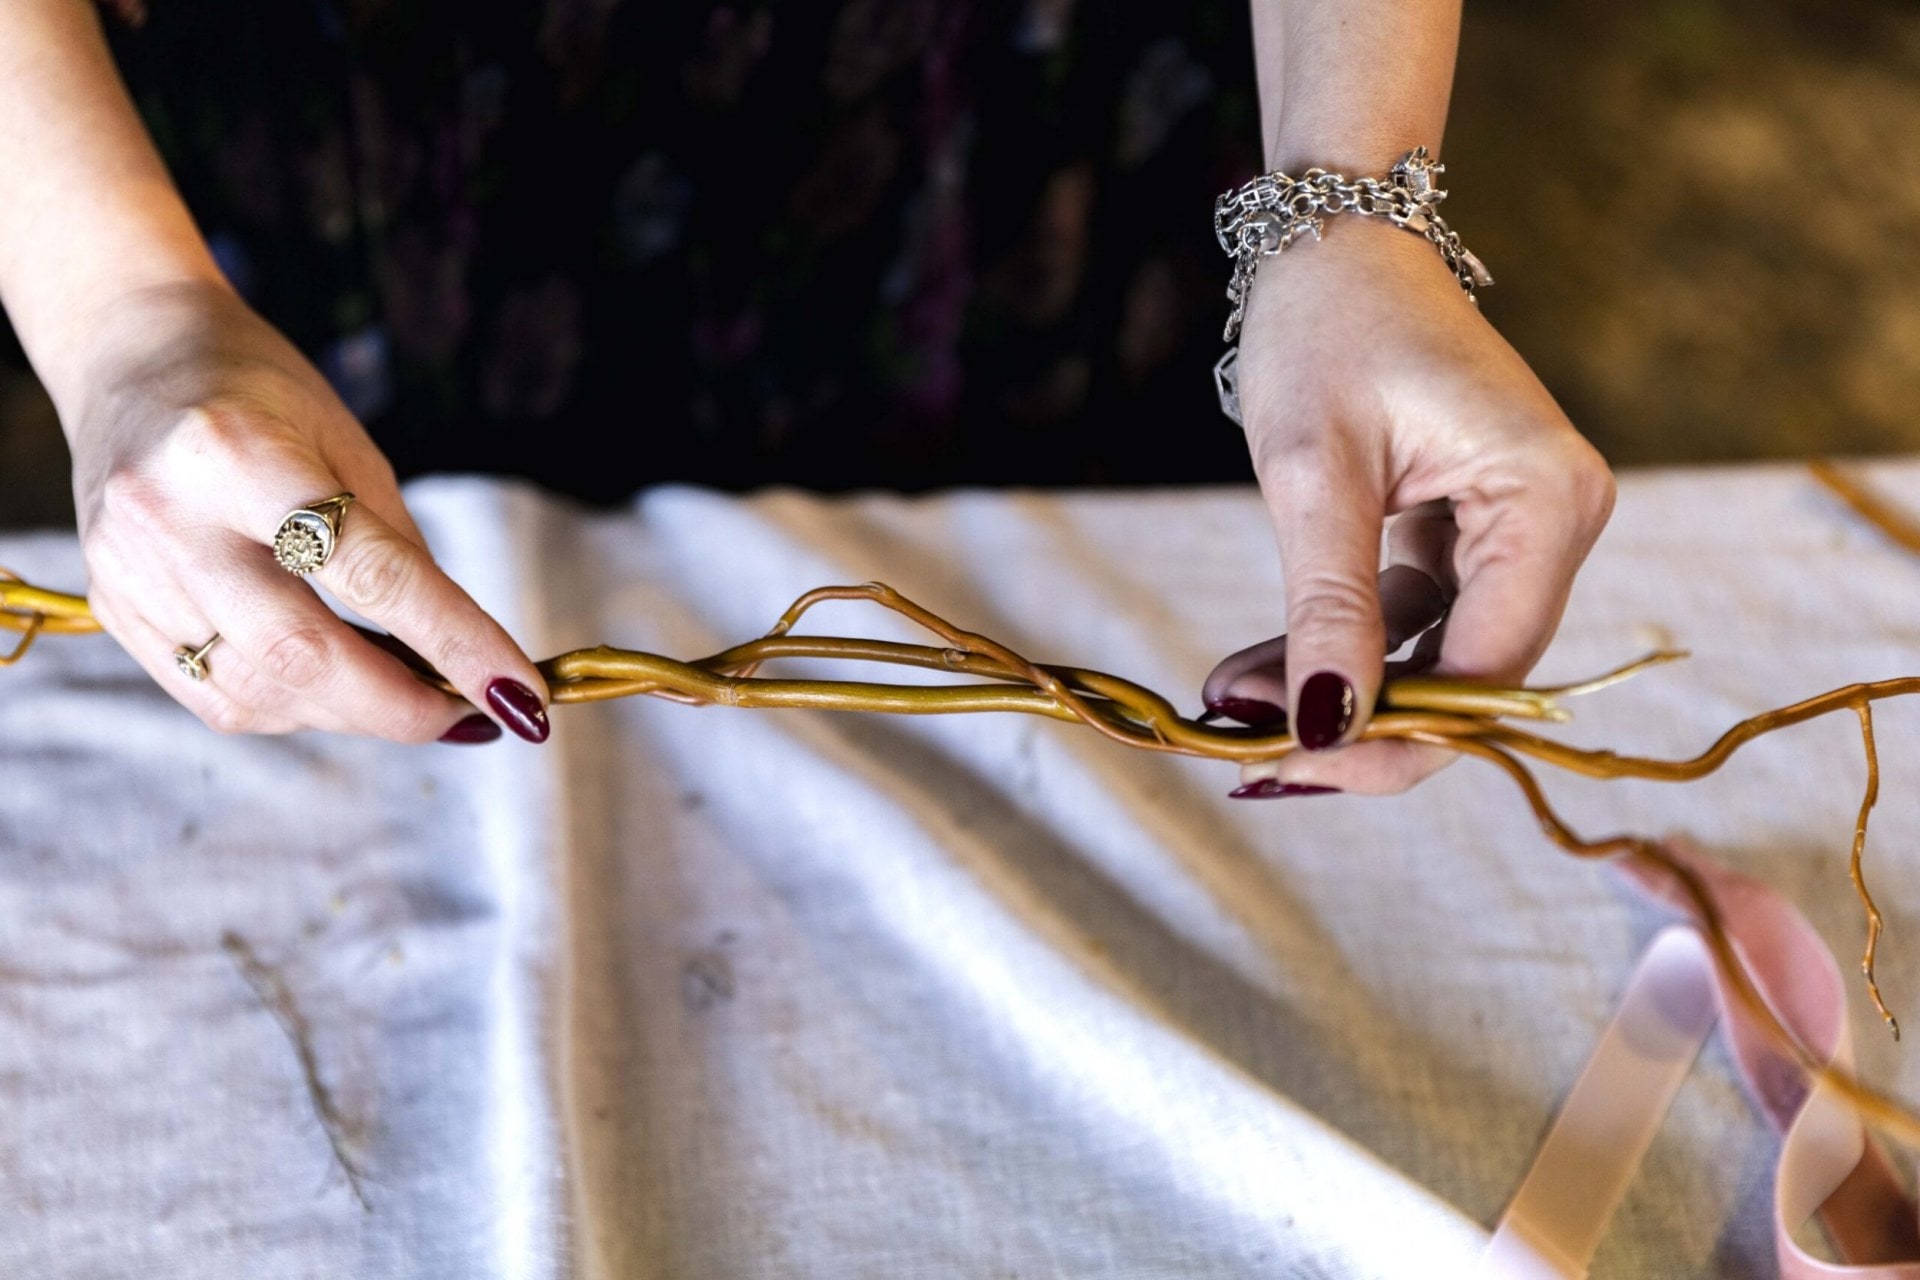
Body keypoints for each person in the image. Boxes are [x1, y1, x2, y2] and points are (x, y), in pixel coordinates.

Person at [0, 0, 1612, 788]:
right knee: (370, 557)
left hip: (976, 106)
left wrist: (1344, 202)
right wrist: (127, 311)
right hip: (383, 117)